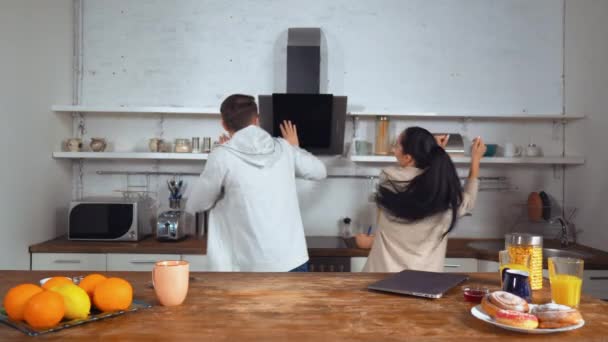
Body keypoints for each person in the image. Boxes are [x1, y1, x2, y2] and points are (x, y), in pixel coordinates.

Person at [185, 94, 326, 272]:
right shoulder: (284, 148)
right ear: (257, 120)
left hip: (247, 267)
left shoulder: (222, 156)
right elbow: (320, 171)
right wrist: (294, 147)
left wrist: (224, 155)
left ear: (224, 124)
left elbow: (197, 203)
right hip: (292, 261)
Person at [360, 127, 486, 272]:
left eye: (396, 145)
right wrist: (475, 159)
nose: (393, 149)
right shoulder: (445, 194)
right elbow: (468, 202)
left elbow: (417, 177)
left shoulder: (388, 179)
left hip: (380, 279)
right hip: (424, 284)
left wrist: (436, 150)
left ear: (408, 157)